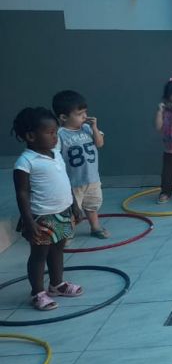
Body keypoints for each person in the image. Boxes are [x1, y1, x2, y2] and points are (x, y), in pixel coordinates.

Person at [11, 107, 85, 311]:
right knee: (39, 254)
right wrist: (28, 221)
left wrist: (75, 206)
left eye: (56, 132)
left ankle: (57, 284)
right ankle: (37, 293)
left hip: (62, 212)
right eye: (50, 133)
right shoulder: (25, 162)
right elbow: (22, 193)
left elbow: (65, 181)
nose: (55, 137)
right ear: (31, 136)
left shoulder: (56, 154)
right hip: (41, 217)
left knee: (58, 249)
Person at [53, 89, 109, 238]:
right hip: (73, 182)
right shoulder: (60, 135)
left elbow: (100, 143)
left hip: (92, 178)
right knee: (72, 209)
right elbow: (55, 157)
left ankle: (95, 227)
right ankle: (68, 234)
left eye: (85, 112)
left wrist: (94, 128)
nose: (84, 116)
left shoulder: (87, 128)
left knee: (92, 205)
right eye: (79, 114)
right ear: (63, 117)